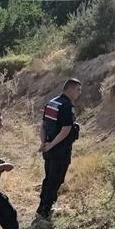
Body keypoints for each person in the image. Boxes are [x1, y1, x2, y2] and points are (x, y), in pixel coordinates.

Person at [37, 78, 82, 219]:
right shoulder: (66, 106)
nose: (79, 93)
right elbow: (66, 129)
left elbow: (43, 126)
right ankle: (46, 210)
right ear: (70, 89)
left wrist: (44, 143)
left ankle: (42, 207)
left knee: (49, 178)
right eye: (78, 89)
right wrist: (52, 144)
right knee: (56, 180)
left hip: (49, 149)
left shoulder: (52, 103)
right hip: (60, 150)